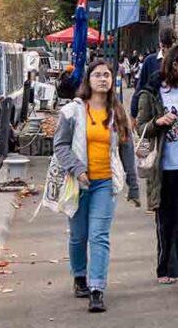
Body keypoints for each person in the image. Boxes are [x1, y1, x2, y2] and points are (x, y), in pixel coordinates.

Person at [53, 59, 137, 312]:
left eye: (107, 75)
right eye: (98, 75)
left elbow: (127, 150)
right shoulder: (72, 111)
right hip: (78, 183)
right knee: (79, 236)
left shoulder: (117, 112)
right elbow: (60, 146)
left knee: (99, 236)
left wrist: (133, 185)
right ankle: (80, 275)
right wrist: (78, 170)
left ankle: (97, 288)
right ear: (88, 80)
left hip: (105, 183)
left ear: (112, 81)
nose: (103, 79)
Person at [135, 46, 178, 289]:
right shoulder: (153, 92)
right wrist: (158, 121)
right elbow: (140, 126)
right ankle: (164, 267)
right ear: (175, 65)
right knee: (166, 220)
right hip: (164, 166)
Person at [132, 26, 177, 117]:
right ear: (160, 43)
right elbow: (140, 86)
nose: (167, 50)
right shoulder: (150, 61)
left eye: (170, 46)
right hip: (153, 111)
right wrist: (133, 112)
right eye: (164, 46)